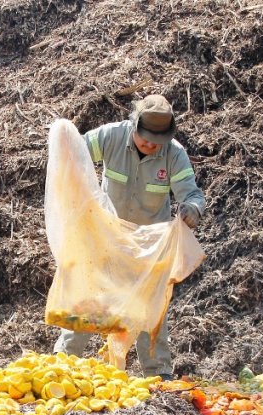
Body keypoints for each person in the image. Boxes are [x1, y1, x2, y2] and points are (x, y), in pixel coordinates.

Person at [53, 94, 206, 380]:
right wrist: (64, 138)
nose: (150, 146)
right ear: (134, 125)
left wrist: (192, 210)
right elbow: (75, 153)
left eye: (156, 142)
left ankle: (158, 375)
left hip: (148, 250)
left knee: (150, 312)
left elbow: (192, 194)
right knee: (89, 303)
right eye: (145, 139)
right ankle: (62, 364)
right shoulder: (110, 136)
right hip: (106, 241)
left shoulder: (174, 154)